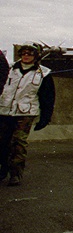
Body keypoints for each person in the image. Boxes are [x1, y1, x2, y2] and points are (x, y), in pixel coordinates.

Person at [0, 43, 55, 186]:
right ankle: (2, 169)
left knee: (19, 143)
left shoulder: (44, 73)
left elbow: (47, 98)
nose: (26, 56)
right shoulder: (9, 68)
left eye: (29, 54)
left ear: (36, 56)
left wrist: (45, 118)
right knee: (2, 142)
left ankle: (15, 173)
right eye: (23, 53)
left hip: (25, 113)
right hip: (5, 111)